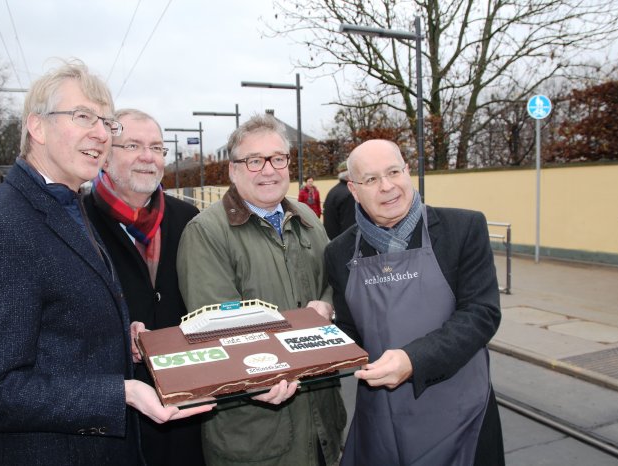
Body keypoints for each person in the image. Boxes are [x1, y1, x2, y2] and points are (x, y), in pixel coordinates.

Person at [0, 61, 211, 466]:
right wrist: (121, 392)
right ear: (37, 127)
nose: (100, 133)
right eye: (83, 117)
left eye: (105, 121)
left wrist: (123, 335)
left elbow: (57, 324)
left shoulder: (65, 204)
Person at [176, 114, 346, 466]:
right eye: (254, 161)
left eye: (278, 158)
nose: (268, 170)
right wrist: (264, 373)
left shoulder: (308, 220)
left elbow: (335, 284)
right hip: (257, 434)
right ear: (233, 170)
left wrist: (328, 309)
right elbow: (217, 327)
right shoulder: (206, 233)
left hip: (320, 425)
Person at [324, 139, 504, 466]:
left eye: (394, 172)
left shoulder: (462, 229)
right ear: (353, 189)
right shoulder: (338, 252)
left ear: (408, 172)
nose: (387, 186)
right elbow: (351, 331)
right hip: (380, 420)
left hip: (461, 415)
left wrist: (413, 359)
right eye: (371, 179)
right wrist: (313, 339)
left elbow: (481, 315)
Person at [84, 108, 205, 466]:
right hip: (113, 413)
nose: (147, 157)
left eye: (157, 147)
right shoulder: (78, 221)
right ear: (105, 156)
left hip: (186, 403)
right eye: (132, 145)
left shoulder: (188, 219)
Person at [322, 161, 355, 240]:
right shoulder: (349, 194)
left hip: (333, 240)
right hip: (344, 245)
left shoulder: (334, 191)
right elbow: (350, 227)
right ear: (349, 175)